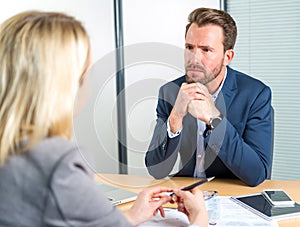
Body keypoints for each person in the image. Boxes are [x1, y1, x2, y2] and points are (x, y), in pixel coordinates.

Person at [0, 11, 208, 227]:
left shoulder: (14, 150)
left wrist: (130, 216)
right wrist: (200, 218)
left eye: (206, 50)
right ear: (66, 84)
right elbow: (156, 167)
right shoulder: (56, 162)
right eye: (86, 73)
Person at [145, 7, 272, 187]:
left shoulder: (255, 94)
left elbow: (257, 173)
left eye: (206, 50)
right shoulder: (170, 92)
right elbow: (156, 170)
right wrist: (175, 118)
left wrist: (215, 119)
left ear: (227, 57)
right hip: (186, 195)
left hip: (231, 196)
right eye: (189, 47)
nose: (194, 58)